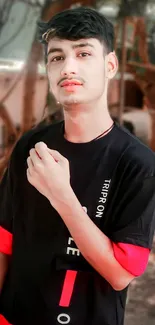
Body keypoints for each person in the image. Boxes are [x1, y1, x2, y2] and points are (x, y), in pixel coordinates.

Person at [0, 7, 155, 325]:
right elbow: (4, 242)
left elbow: (119, 274)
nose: (68, 67)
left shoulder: (137, 164)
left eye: (83, 53)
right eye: (57, 57)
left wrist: (62, 196)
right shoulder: (31, 146)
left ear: (110, 65)